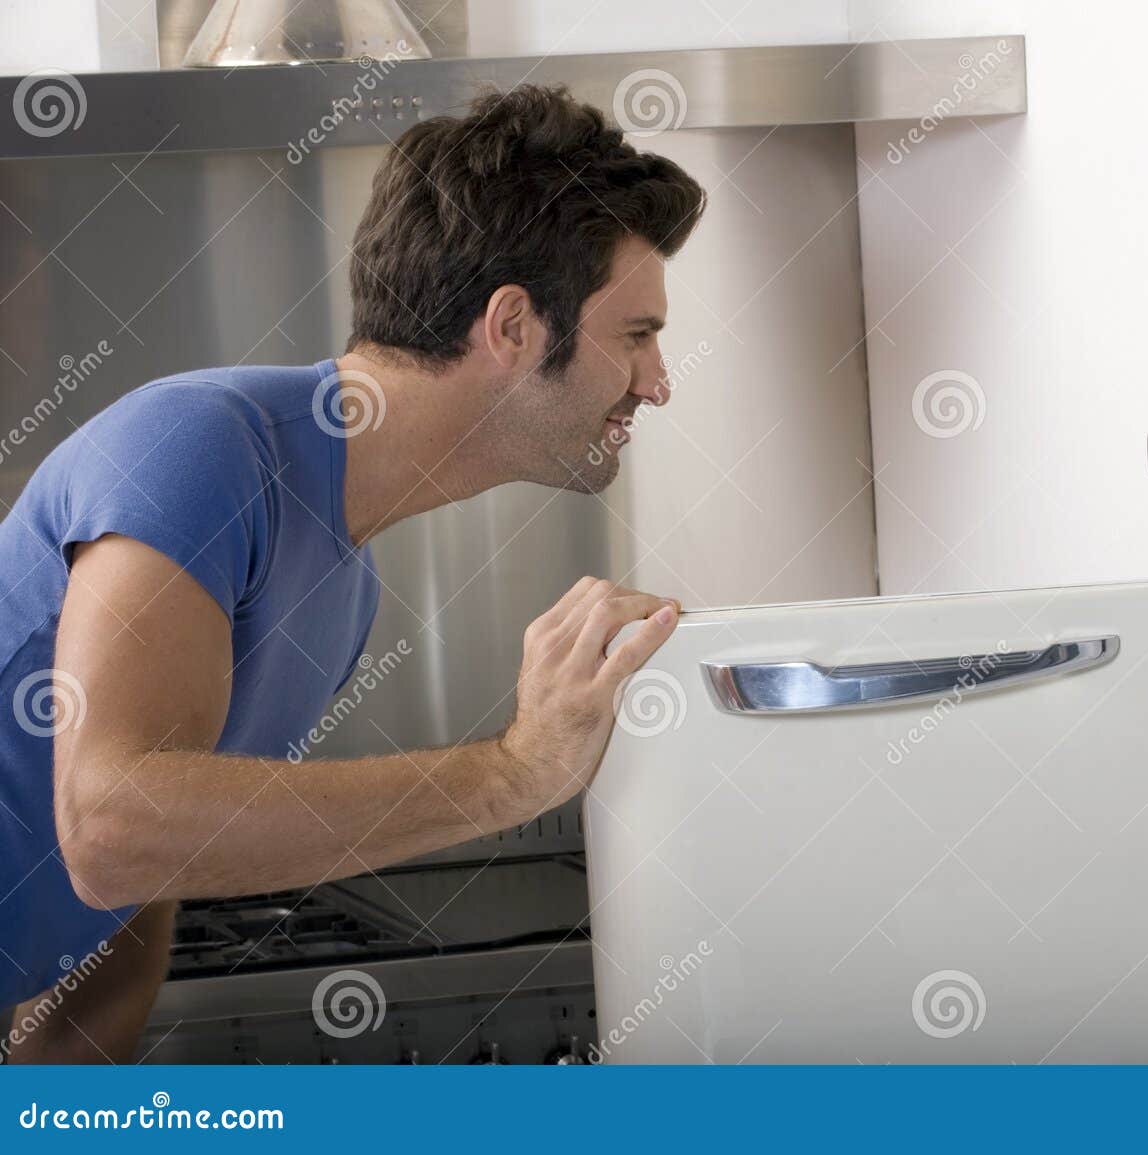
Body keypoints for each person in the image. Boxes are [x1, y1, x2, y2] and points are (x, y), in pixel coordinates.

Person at [0, 83, 706, 1061]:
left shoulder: (343, 588)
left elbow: (140, 882)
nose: (657, 381)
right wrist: (513, 772)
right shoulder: (199, 445)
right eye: (636, 335)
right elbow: (117, 825)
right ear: (511, 328)